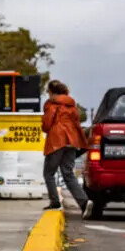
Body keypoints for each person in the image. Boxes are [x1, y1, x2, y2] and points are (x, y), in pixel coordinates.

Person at [41, 80, 93, 219]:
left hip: (57, 140)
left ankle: (55, 202)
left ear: (52, 92)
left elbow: (47, 124)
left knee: (48, 173)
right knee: (68, 173)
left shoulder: (51, 104)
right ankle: (84, 203)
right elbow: (76, 122)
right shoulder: (71, 105)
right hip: (72, 140)